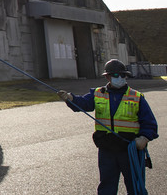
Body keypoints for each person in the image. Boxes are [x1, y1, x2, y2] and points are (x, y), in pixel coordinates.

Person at [57, 59, 158, 195]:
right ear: (108, 77)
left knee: (135, 186)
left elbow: (149, 122)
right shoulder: (98, 94)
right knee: (107, 186)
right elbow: (83, 104)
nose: (120, 78)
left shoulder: (137, 97)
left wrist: (144, 138)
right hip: (107, 150)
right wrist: (70, 98)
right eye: (116, 75)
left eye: (123, 75)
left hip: (129, 149)